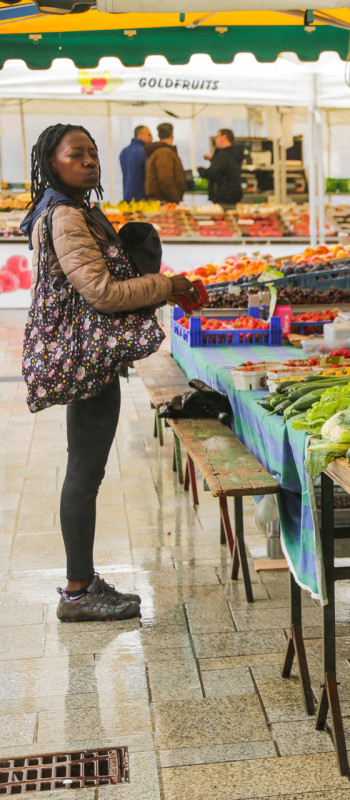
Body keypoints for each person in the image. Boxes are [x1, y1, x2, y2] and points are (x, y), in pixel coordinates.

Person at [18, 123, 196, 623]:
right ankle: (78, 591)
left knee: (86, 468)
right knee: (84, 471)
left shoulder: (74, 209)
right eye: (77, 154)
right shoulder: (67, 217)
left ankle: (83, 581)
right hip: (86, 357)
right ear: (52, 163)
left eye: (93, 153)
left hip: (89, 354)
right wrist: (165, 285)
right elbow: (101, 293)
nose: (90, 161)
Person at [198, 128, 244, 212]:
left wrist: (200, 170)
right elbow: (226, 166)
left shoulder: (222, 155)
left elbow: (212, 172)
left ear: (224, 137)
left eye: (217, 136)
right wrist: (212, 159)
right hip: (234, 195)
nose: (216, 139)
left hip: (223, 196)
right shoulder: (234, 153)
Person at [144, 122, 186, 203]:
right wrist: (175, 198)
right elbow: (165, 179)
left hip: (161, 199)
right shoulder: (164, 153)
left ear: (159, 135)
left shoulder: (159, 151)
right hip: (164, 201)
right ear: (172, 135)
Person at [118, 125, 152, 202]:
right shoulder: (145, 152)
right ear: (140, 135)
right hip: (142, 197)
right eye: (149, 135)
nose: (151, 138)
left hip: (127, 195)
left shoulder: (124, 152)